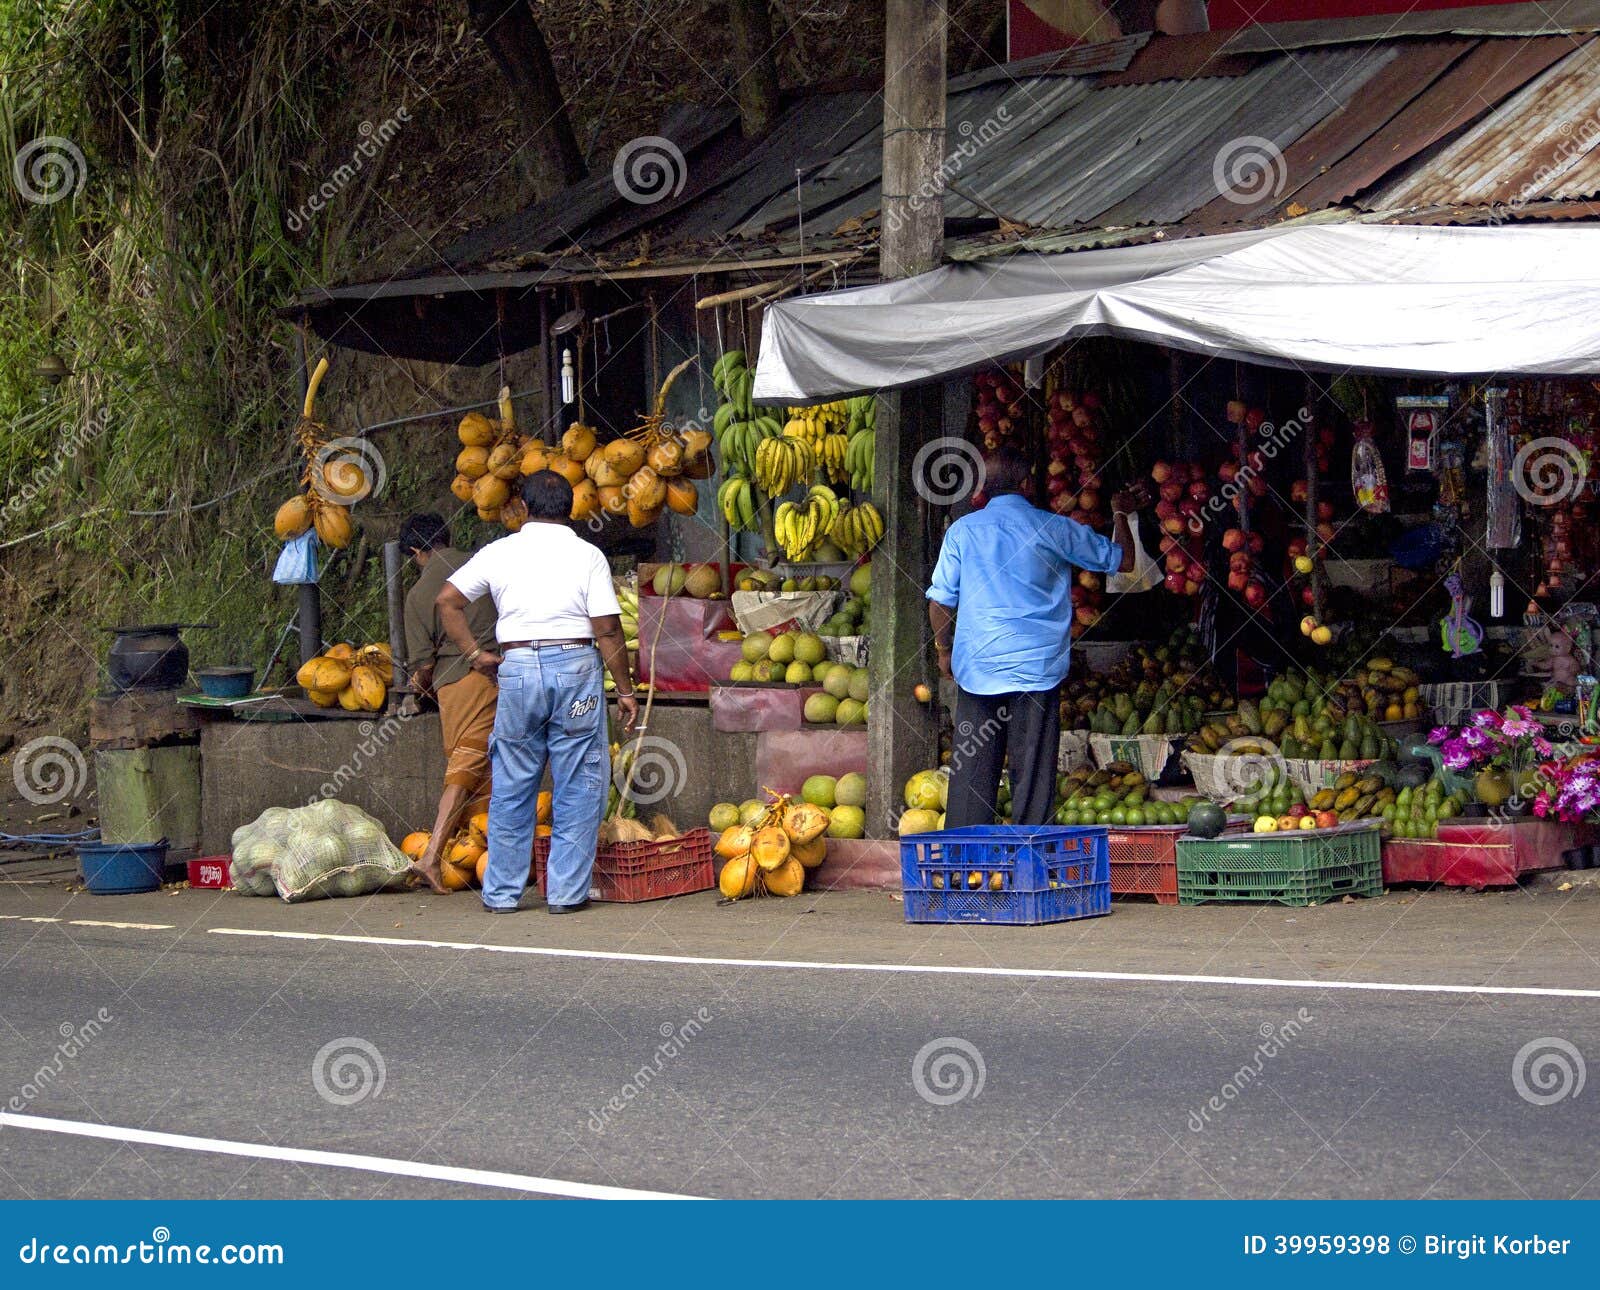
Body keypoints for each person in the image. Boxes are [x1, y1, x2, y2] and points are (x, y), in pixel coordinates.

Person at [436, 471, 639, 914]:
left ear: (523, 509)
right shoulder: (588, 554)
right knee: (580, 783)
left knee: (511, 783)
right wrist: (625, 690)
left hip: (518, 669)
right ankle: (566, 894)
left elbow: (447, 600)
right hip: (575, 670)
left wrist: (474, 654)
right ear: (571, 510)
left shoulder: (499, 552)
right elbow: (606, 628)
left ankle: (502, 893)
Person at [927, 447, 1149, 829]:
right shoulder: (1054, 528)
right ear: (1027, 484)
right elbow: (1124, 562)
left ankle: (963, 871)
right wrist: (1121, 512)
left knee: (971, 778)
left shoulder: (963, 531)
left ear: (983, 490)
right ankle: (1030, 869)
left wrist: (943, 650)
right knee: (1032, 777)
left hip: (979, 667)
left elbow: (940, 601)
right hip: (1036, 670)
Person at [399, 513, 500, 894]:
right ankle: (478, 858)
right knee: (479, 769)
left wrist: (417, 684)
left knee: (465, 767)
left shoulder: (419, 594)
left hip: (457, 686)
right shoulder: (483, 564)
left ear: (414, 552)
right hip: (497, 675)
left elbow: (423, 664)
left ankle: (432, 856)